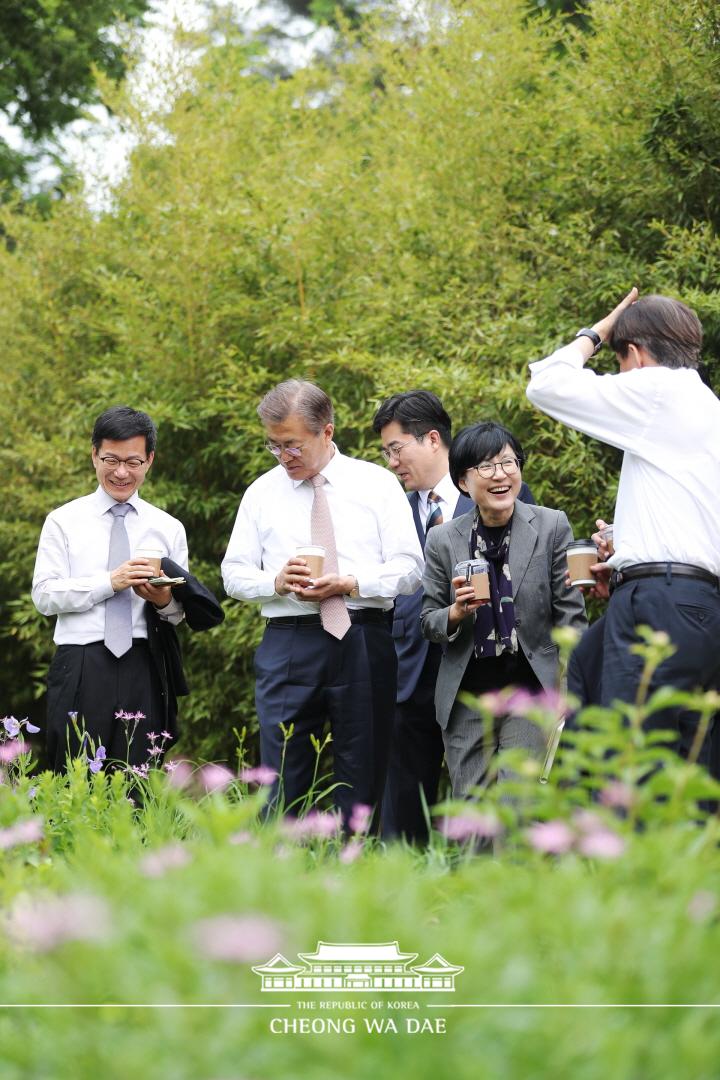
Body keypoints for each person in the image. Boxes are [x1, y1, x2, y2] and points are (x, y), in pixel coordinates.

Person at [526, 289, 720, 767]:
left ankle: (607, 835)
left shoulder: (658, 389)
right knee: (686, 756)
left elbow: (546, 384)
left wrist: (598, 329)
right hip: (696, 605)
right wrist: (627, 547)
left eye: (617, 363)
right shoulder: (706, 407)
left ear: (634, 354)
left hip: (660, 602)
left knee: (631, 756)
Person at [221, 379, 423, 826]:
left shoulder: (377, 485)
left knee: (363, 775)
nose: (283, 457)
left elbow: (411, 568)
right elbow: (232, 574)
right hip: (288, 642)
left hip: (364, 639)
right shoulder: (261, 493)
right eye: (274, 447)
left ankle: (355, 874)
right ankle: (283, 879)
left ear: (326, 432)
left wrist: (352, 582)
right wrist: (275, 582)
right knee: (282, 779)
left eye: (292, 446)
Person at [372, 391, 536, 841]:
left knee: (484, 799)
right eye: (385, 453)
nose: (391, 462)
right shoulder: (392, 509)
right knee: (402, 806)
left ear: (431, 439)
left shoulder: (495, 485)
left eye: (395, 448)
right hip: (408, 667)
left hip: (480, 670)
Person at [420, 421, 587, 797]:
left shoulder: (550, 525)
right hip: (467, 695)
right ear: (463, 482)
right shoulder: (443, 539)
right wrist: (456, 613)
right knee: (472, 812)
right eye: (486, 467)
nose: (501, 475)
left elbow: (571, 617)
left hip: (530, 690)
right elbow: (428, 621)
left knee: (519, 806)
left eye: (509, 463)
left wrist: (570, 688)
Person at [32, 406, 193, 770]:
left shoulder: (168, 527)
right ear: (94, 455)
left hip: (145, 661)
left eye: (133, 462)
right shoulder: (63, 521)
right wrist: (111, 582)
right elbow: (44, 596)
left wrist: (163, 600)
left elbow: (177, 614)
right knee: (72, 773)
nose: (121, 472)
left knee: (137, 778)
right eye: (111, 459)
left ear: (149, 460)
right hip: (81, 661)